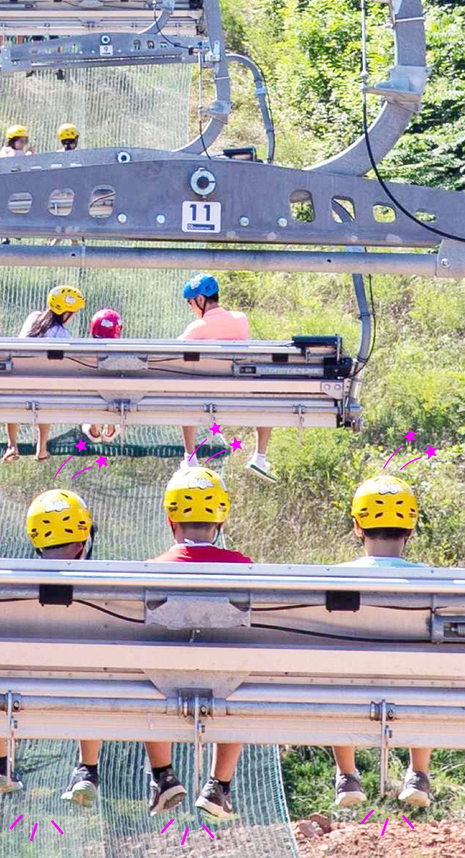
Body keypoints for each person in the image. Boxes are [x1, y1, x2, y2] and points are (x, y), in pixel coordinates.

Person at [142, 467, 252, 819]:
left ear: (169, 517)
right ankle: (220, 785)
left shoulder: (150, 568)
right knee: (239, 680)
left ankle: (163, 775)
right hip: (228, 682)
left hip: (162, 681)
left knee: (148, 673)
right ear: (221, 519)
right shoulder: (243, 567)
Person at [0, 489, 104, 805]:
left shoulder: (9, 583)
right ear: (83, 543)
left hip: (19, 685)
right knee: (96, 680)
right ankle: (87, 768)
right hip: (83, 684)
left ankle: (0, 762)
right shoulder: (109, 584)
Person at [330, 475, 433, 809]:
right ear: (411, 528)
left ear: (358, 526)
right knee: (429, 676)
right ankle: (419, 773)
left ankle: (347, 775)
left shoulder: (335, 577)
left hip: (348, 682)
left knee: (334, 676)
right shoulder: (432, 579)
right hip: (413, 681)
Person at [176, 274, 276, 482]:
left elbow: (174, 353)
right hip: (241, 396)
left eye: (190, 303)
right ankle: (260, 457)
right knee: (269, 397)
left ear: (201, 300)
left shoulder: (196, 329)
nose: (191, 308)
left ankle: (190, 457)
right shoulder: (241, 320)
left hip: (204, 398)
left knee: (186, 393)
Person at [3, 285, 85, 463]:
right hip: (44, 386)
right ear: (66, 313)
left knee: (14, 400)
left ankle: (12, 445)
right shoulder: (63, 335)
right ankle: (42, 447)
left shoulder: (33, 318)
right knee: (47, 400)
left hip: (18, 379)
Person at [82, 309, 122, 443]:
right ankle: (110, 427)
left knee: (92, 389)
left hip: (85, 395)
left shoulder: (82, 351)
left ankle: (94, 428)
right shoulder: (124, 351)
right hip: (117, 397)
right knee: (114, 386)